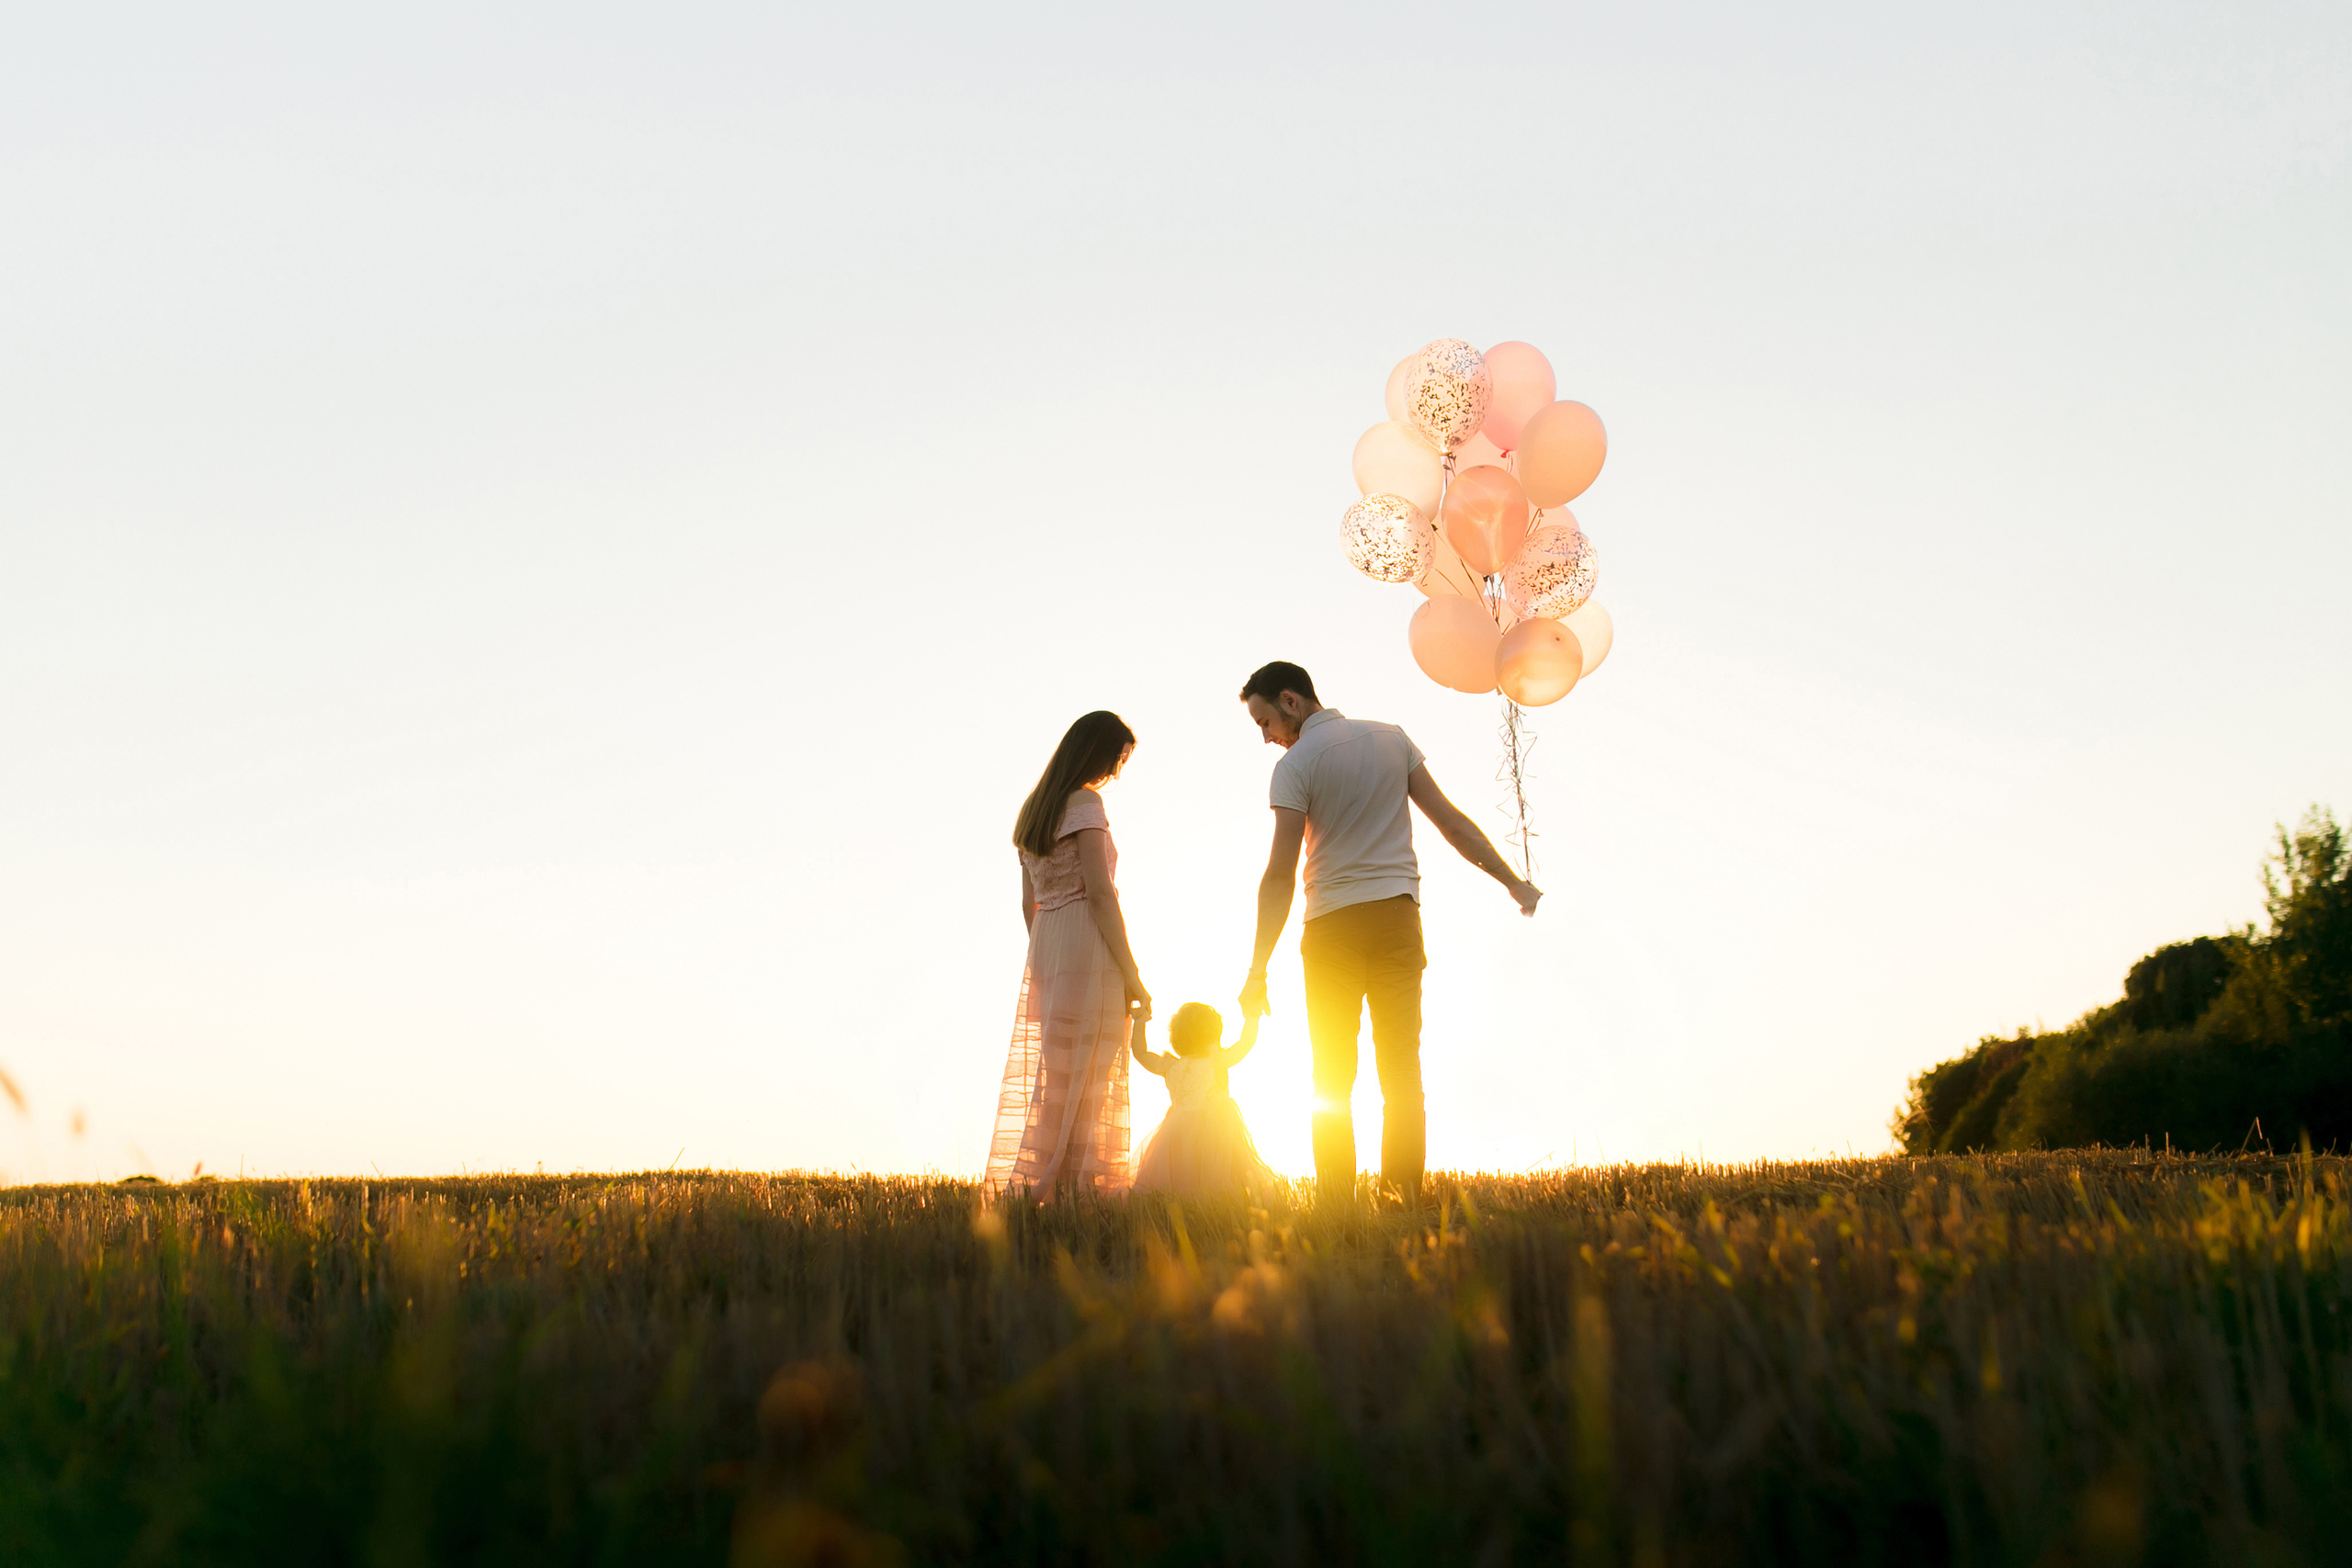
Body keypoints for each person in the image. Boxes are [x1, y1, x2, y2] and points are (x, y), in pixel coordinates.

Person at [1237, 660, 1540, 1206]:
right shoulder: (1391, 739)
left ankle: (1336, 1203)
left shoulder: (1295, 766)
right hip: (1399, 920)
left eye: (1264, 723)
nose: (1266, 738)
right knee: (1401, 1065)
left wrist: (1258, 967)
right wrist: (1512, 882)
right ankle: (1402, 1196)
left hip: (1332, 929)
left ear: (1289, 701)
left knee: (1331, 1071)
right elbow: (1451, 823)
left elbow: (1280, 874)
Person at [985, 711, 1150, 1199]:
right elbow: (1100, 893)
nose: (1116, 772)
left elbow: (1026, 903)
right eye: (1117, 759)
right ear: (1097, 752)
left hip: (1048, 942)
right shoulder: (1086, 802)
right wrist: (1132, 973)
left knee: (1056, 1075)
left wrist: (1045, 961)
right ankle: (1082, 1189)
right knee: (1093, 1070)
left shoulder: (1032, 811)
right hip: (1084, 935)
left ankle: (1046, 1187)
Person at [1129, 1001, 1277, 1197]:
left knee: (1181, 1179)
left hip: (1177, 1132)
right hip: (1218, 1130)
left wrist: (1139, 1022)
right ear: (1214, 1035)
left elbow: (1141, 1054)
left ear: (1175, 1037)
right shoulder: (1217, 1061)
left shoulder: (1170, 1066)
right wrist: (1252, 1017)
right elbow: (1245, 1043)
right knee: (1224, 1179)